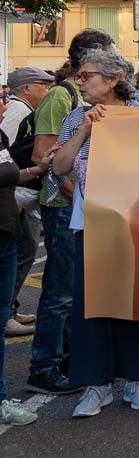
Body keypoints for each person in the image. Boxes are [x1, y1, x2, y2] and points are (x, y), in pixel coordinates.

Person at [52, 49, 139, 417]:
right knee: (92, 304)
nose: (80, 81)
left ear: (114, 78)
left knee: (137, 300)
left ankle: (138, 380)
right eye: (79, 75)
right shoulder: (76, 116)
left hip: (138, 224)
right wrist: (86, 127)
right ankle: (96, 384)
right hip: (91, 223)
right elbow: (57, 167)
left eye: (87, 75)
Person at [25, 27, 113, 396]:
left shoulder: (79, 95)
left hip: (76, 205)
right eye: (108, 54)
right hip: (63, 206)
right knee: (60, 292)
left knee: (74, 291)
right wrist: (84, 196)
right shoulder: (63, 96)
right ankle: (43, 367)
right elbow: (43, 156)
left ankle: (64, 358)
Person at [0, 82, 51, 423]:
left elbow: (8, 172)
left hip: (5, 233)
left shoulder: (0, 137)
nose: (5, 106)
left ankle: (1, 398)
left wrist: (36, 170)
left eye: (4, 98)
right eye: (1, 100)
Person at [2, 67, 53, 338]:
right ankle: (6, 311)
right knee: (21, 252)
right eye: (42, 86)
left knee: (25, 251)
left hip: (19, 192)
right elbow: (6, 155)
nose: (46, 91)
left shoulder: (21, 109)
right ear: (27, 89)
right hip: (16, 196)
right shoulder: (17, 111)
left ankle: (10, 306)